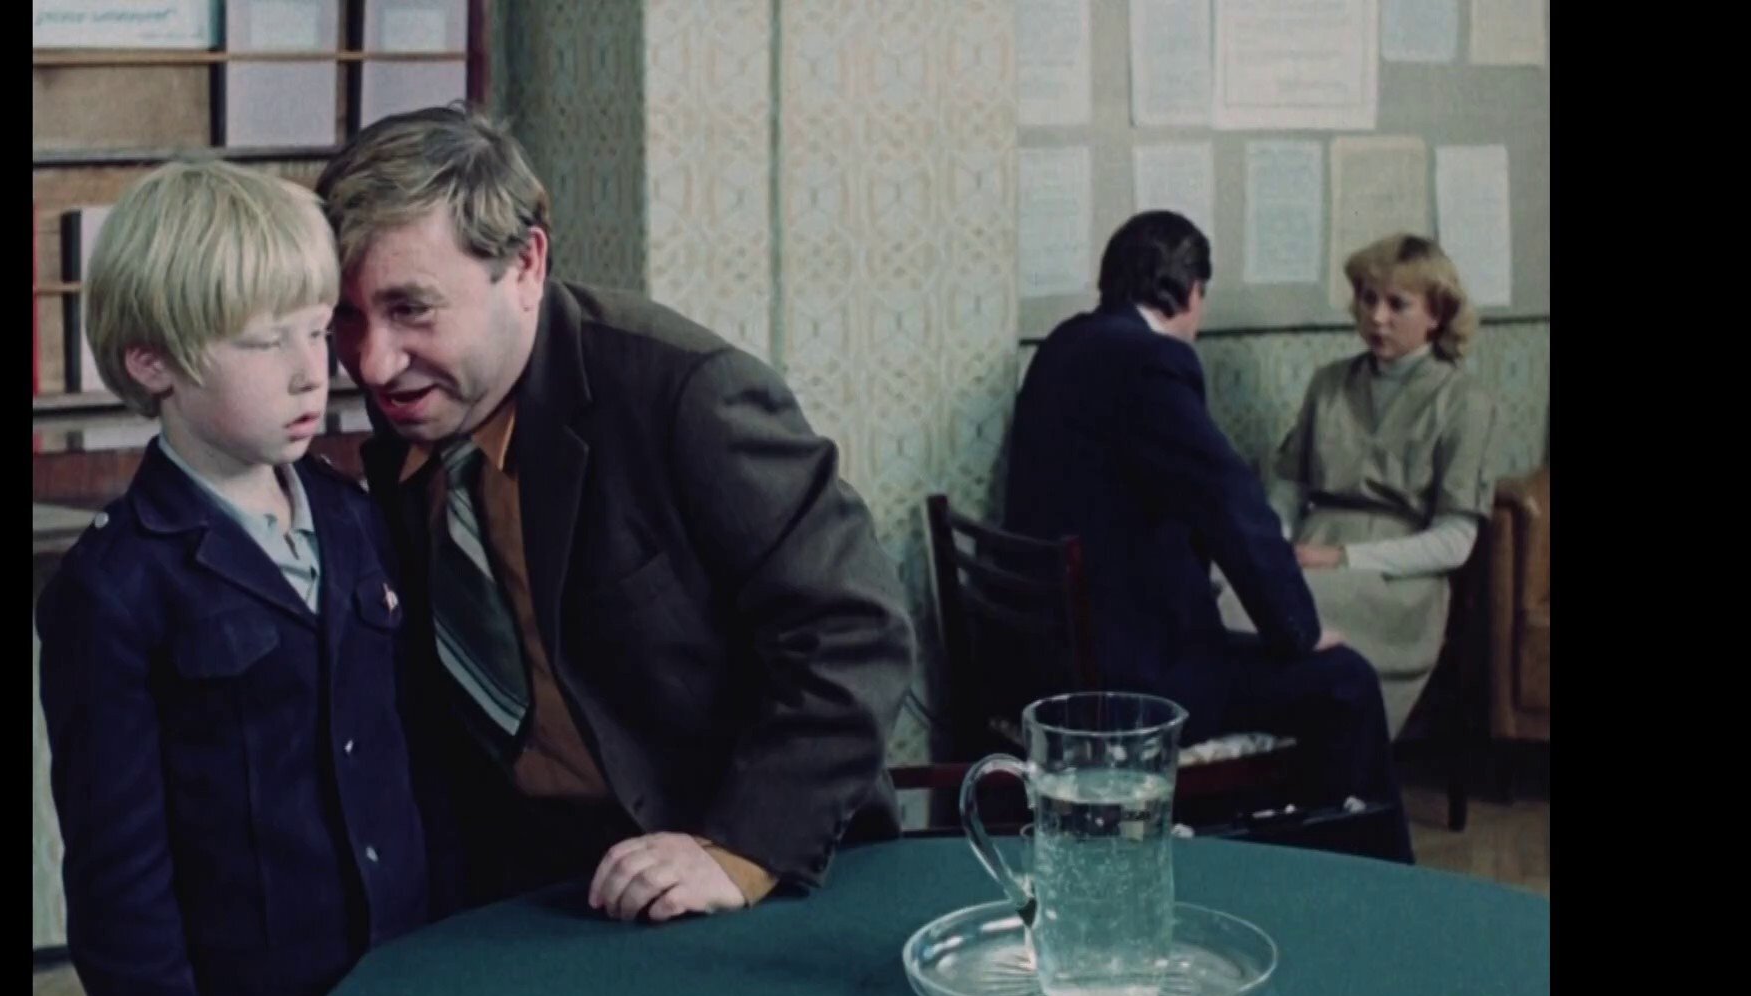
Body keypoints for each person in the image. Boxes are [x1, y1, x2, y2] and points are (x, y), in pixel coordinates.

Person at [313, 104, 915, 921]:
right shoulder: (411, 424)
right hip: (530, 883)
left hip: (739, 866)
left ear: (525, 266)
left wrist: (739, 850)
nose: (373, 363)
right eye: (347, 318)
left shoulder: (685, 394)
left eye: (411, 309)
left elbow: (855, 631)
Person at [36, 160, 432, 996]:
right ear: (154, 363)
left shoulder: (355, 517)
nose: (309, 373)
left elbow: (420, 765)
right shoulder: (114, 588)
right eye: (263, 343)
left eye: (316, 331)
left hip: (412, 980)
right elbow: (120, 882)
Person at [1002, 209, 1412, 863]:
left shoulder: (1065, 345)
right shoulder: (1151, 360)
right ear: (1192, 293)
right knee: (1345, 682)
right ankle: (1369, 882)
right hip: (1131, 678)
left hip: (1053, 659)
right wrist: (1299, 630)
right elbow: (1230, 499)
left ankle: (1283, 864)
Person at [1220, 233, 1499, 739]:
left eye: (1397, 304)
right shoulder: (1329, 383)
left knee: (1259, 607)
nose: (1376, 317)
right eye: (1369, 299)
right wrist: (1273, 549)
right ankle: (1252, 752)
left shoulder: (1464, 402)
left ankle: (1300, 749)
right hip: (1312, 550)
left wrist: (1343, 558)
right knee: (1226, 584)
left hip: (1396, 581)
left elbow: (1455, 542)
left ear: (1436, 314)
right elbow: (1288, 489)